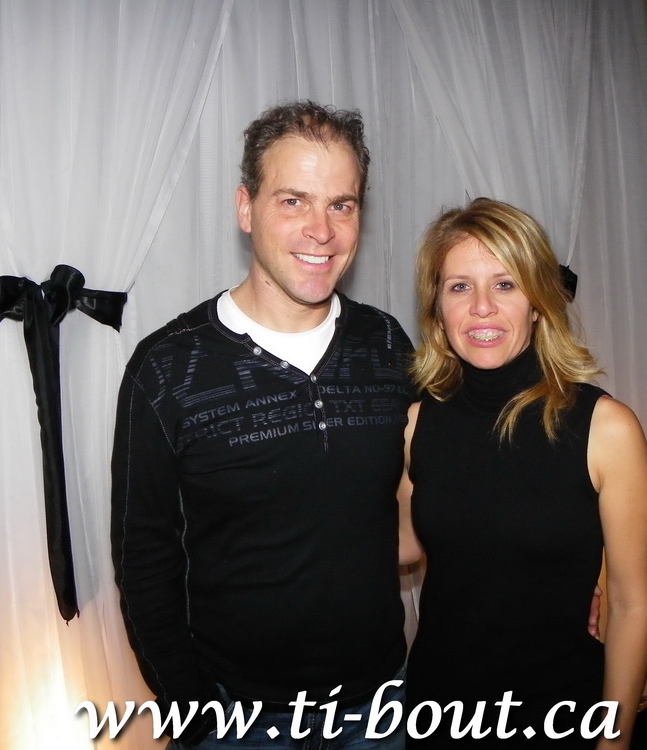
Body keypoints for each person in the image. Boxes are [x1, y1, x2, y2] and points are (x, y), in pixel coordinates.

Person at [110, 101, 413, 748]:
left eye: (341, 205)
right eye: (293, 201)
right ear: (245, 208)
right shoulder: (168, 367)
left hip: (381, 706)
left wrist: (558, 573)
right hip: (238, 718)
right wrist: (191, 714)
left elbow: (459, 478)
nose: (321, 230)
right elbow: (144, 559)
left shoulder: (387, 345)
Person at [398, 198, 647, 748]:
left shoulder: (605, 427)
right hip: (438, 705)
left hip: (559, 708)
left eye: (506, 284)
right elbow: (403, 548)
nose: (482, 307)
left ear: (538, 302)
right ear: (438, 309)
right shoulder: (417, 423)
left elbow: (631, 604)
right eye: (460, 287)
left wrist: (614, 742)